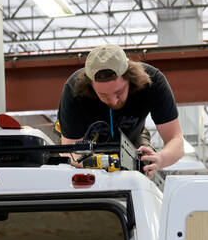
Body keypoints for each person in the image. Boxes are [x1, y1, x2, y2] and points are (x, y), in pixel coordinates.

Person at [57, 44, 184, 178]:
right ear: (90, 85)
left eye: (119, 92)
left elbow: (176, 140)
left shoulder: (152, 82)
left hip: (134, 139)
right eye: (103, 95)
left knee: (144, 167)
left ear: (130, 77)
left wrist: (161, 159)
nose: (113, 101)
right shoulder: (73, 90)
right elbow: (69, 152)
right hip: (87, 146)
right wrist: (104, 162)